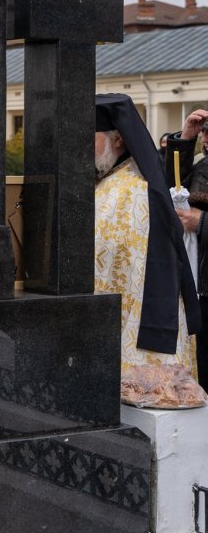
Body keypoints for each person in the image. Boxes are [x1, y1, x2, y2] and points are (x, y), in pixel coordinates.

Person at [95, 93, 199, 379]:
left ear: (118, 140)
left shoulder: (133, 189)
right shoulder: (108, 182)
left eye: (91, 138)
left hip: (138, 321)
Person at [164, 108, 208, 390]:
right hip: (200, 285)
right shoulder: (204, 166)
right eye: (205, 132)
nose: (205, 137)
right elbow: (170, 185)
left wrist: (202, 222)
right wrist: (185, 138)